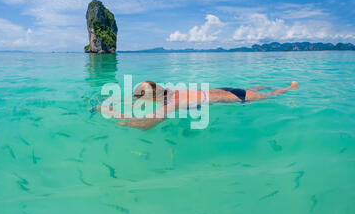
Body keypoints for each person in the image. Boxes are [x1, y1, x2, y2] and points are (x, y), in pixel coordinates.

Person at [97, 80, 298, 130]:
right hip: (222, 90)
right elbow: (140, 98)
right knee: (250, 89)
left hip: (234, 98)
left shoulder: (172, 103)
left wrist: (112, 115)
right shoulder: (168, 91)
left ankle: (289, 86)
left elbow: (145, 125)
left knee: (269, 95)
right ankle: (262, 85)